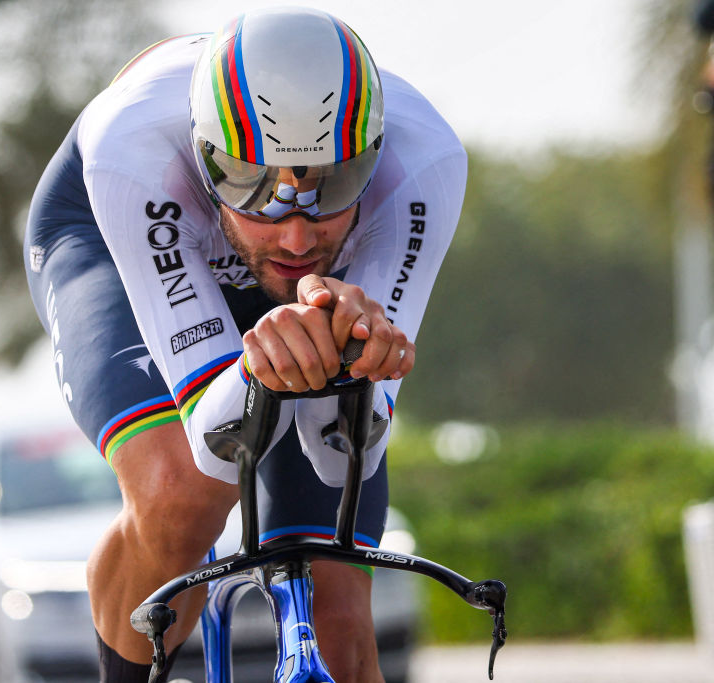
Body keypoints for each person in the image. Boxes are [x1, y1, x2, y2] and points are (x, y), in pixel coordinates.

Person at [24, 7, 466, 682]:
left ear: (371, 155)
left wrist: (347, 346)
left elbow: (340, 447)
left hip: (311, 289)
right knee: (178, 492)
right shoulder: (136, 144)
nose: (294, 236)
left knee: (338, 601)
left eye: (334, 184)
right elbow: (213, 440)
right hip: (121, 235)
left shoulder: (424, 161)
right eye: (249, 185)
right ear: (205, 156)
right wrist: (270, 365)